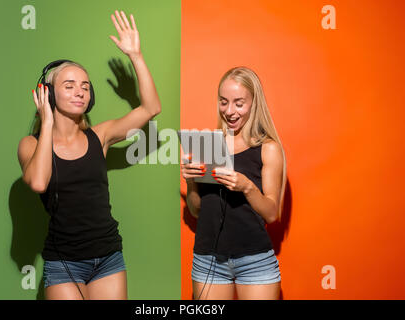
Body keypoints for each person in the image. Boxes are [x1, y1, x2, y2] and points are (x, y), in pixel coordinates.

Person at [17, 10, 161, 300]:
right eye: (69, 86)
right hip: (63, 262)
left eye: (85, 86)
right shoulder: (29, 145)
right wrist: (46, 121)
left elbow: (150, 109)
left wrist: (136, 55)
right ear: (47, 93)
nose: (79, 92)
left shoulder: (101, 135)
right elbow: (38, 183)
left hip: (108, 257)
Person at [181, 67, 286, 300]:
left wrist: (247, 186)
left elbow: (271, 214)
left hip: (255, 261)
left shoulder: (267, 148)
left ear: (254, 103)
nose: (229, 111)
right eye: (223, 102)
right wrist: (190, 182)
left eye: (239, 103)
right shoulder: (206, 146)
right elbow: (196, 209)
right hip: (208, 260)